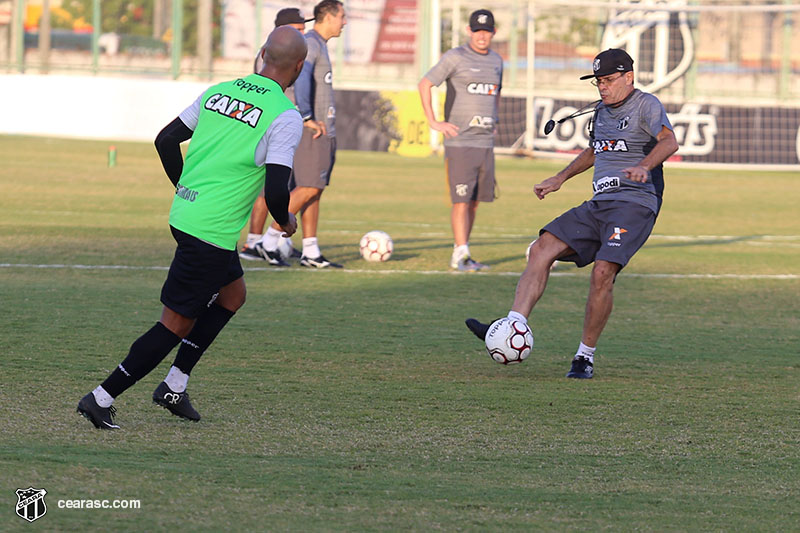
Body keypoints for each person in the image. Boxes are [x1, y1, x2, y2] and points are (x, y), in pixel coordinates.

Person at [76, 26, 308, 429]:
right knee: (175, 323)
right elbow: (275, 189)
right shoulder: (285, 116)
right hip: (210, 233)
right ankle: (101, 397)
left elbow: (166, 140)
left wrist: (184, 188)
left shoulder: (218, 92)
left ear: (262, 53)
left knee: (233, 295)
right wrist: (285, 220)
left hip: (186, 217)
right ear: (300, 67)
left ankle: (175, 384)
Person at [465, 48, 679, 379]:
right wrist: (559, 178)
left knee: (602, 271)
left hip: (635, 203)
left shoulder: (646, 105)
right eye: (598, 82)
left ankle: (584, 357)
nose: (602, 87)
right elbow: (596, 150)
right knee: (541, 248)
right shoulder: (601, 112)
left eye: (608, 80)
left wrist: (644, 166)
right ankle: (512, 326)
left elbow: (670, 141)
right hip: (599, 203)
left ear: (629, 77)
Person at [257, 0, 346, 269]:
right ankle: (269, 240)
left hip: (324, 128)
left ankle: (310, 250)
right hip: (313, 129)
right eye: (342, 16)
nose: (345, 22)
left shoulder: (320, 45)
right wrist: (307, 117)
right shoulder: (311, 45)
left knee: (315, 190)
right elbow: (302, 81)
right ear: (328, 17)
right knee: (308, 187)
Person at [418, 9, 502, 271]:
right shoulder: (455, 56)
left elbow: (497, 93)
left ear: (493, 33)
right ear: (469, 31)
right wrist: (434, 122)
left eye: (486, 31)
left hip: (485, 143)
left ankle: (463, 249)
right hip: (460, 143)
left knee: (476, 200)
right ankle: (459, 254)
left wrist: (495, 120)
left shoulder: (498, 61)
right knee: (461, 200)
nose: (481, 36)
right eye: (477, 31)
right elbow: (425, 84)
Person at [240, 7, 311, 263]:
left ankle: (266, 242)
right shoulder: (272, 53)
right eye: (299, 29)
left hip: (283, 120)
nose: (304, 34)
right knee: (266, 187)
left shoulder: (283, 49)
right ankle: (253, 242)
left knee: (278, 183)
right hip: (272, 121)